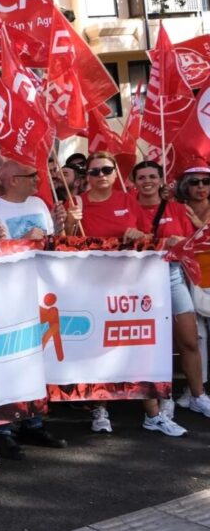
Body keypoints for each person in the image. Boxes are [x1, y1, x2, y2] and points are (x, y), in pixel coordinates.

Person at [68, 154, 185, 436]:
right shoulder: (76, 203)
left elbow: (145, 238)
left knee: (139, 344)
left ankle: (153, 415)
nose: (101, 175)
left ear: (114, 173)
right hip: (91, 286)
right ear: (87, 176)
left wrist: (136, 234)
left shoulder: (127, 200)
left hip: (129, 286)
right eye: (94, 171)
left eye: (107, 170)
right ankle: (100, 408)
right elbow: (65, 243)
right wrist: (70, 223)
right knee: (96, 347)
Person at [0, 161, 68, 460]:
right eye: (32, 176)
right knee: (9, 359)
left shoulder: (40, 203)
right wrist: (25, 240)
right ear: (14, 180)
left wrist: (58, 228)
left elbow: (50, 244)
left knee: (35, 359)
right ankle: (3, 430)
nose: (38, 179)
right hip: (7, 295)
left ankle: (34, 421)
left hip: (39, 291)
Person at [133, 162, 210, 421]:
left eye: (152, 176)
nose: (147, 181)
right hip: (139, 282)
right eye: (142, 177)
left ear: (161, 180)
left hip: (173, 276)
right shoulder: (129, 208)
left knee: (189, 340)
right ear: (134, 182)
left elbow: (195, 245)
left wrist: (182, 242)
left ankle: (198, 396)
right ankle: (162, 397)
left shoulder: (178, 209)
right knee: (153, 343)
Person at [177, 166, 210, 406]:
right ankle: (197, 387)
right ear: (185, 186)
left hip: (208, 270)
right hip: (187, 272)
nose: (200, 186)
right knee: (196, 334)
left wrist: (200, 225)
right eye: (194, 182)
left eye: (206, 181)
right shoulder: (178, 209)